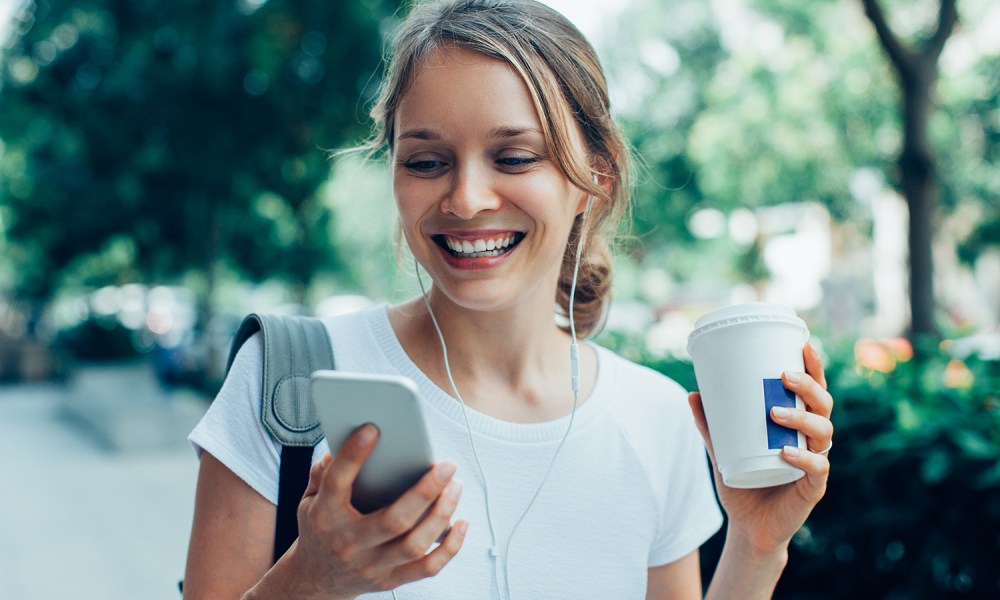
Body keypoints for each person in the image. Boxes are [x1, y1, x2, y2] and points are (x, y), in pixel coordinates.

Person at [182, 1, 835, 598]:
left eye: (515, 157)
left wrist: (757, 544)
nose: (466, 199)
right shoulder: (290, 382)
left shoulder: (656, 420)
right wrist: (312, 577)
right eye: (426, 162)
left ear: (595, 179)